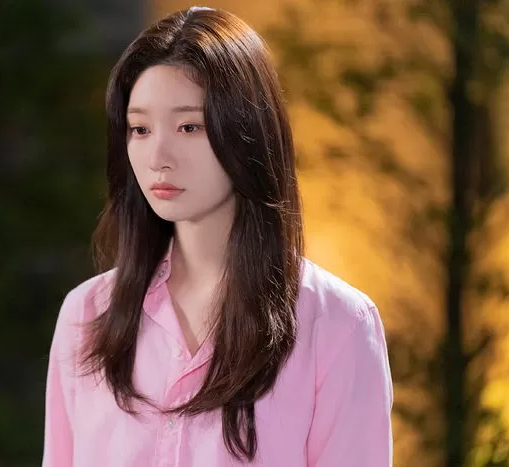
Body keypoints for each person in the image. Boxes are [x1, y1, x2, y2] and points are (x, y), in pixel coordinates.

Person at [41, 6, 393, 467]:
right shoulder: (88, 315)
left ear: (246, 133)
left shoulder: (337, 326)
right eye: (140, 129)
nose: (158, 157)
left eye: (189, 127)